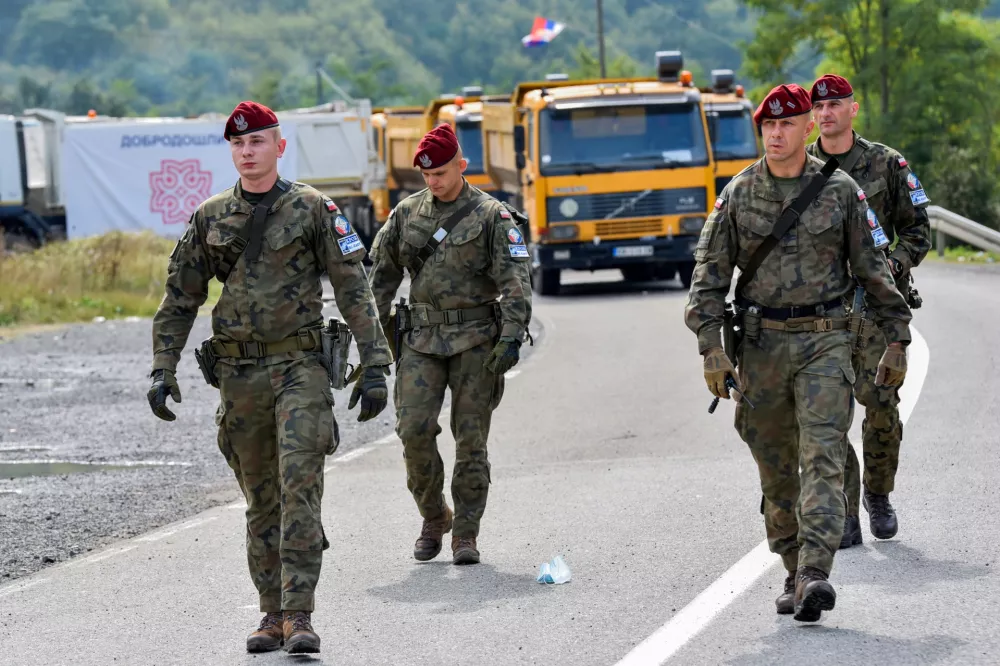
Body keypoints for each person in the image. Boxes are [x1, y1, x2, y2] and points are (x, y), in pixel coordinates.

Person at [146, 101, 392, 654]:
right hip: (238, 376)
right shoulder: (211, 217)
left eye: (257, 142)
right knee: (261, 499)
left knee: (298, 486)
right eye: (237, 145)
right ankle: (271, 612)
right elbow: (179, 298)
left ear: (279, 147)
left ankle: (300, 615)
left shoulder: (312, 209)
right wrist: (163, 368)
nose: (246, 152)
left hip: (299, 368)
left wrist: (375, 365)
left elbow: (354, 288)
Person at [684, 84, 912, 622]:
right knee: (777, 467)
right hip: (761, 348)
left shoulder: (840, 192)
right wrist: (710, 350)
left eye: (787, 125)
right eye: (768, 126)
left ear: (809, 127)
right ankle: (791, 564)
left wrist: (898, 338)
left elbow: (873, 272)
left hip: (826, 342)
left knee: (824, 457)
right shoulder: (738, 195)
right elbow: (708, 279)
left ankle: (814, 572)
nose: (777, 134)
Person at [366, 123, 532, 566]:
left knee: (471, 439)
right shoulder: (406, 214)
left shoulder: (492, 216)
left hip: (478, 339)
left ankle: (467, 534)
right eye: (426, 175)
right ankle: (434, 515)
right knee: (413, 430)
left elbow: (516, 283)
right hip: (420, 341)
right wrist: (375, 346)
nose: (434, 181)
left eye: (441, 172)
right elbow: (378, 282)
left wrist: (512, 337)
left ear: (462, 164)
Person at [807, 74, 932, 548]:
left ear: (852, 110)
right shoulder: (799, 166)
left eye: (836, 105)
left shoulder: (886, 163)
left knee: (881, 406)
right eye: (819, 107)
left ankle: (877, 494)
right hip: (819, 311)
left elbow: (918, 230)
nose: (827, 113)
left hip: (876, 310)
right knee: (825, 414)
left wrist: (893, 265)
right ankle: (844, 510)